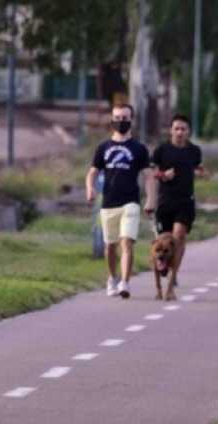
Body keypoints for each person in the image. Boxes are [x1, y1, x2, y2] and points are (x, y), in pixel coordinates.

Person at [86, 103, 151, 299]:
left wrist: (150, 199)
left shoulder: (139, 149)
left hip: (130, 202)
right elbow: (93, 172)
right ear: (112, 120)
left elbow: (148, 176)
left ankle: (125, 282)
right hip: (108, 203)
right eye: (117, 118)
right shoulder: (103, 147)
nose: (120, 122)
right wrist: (90, 188)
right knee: (110, 246)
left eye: (124, 118)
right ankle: (112, 278)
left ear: (131, 120)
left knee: (127, 243)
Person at [144, 114, 206, 287]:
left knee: (178, 236)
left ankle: (174, 271)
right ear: (171, 131)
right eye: (176, 129)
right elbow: (151, 173)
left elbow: (195, 166)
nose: (179, 132)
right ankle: (163, 264)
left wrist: (201, 171)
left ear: (189, 132)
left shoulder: (195, 151)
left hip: (185, 202)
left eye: (183, 129)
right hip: (165, 202)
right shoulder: (161, 150)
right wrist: (163, 175)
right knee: (164, 241)